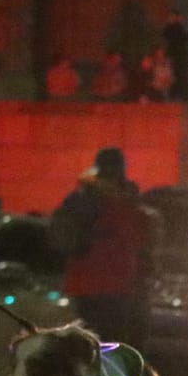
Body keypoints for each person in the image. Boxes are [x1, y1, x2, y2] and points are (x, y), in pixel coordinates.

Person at [50, 147, 156, 348]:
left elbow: (143, 247)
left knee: (103, 346)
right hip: (101, 290)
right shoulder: (88, 203)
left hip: (106, 290)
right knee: (103, 346)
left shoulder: (120, 204)